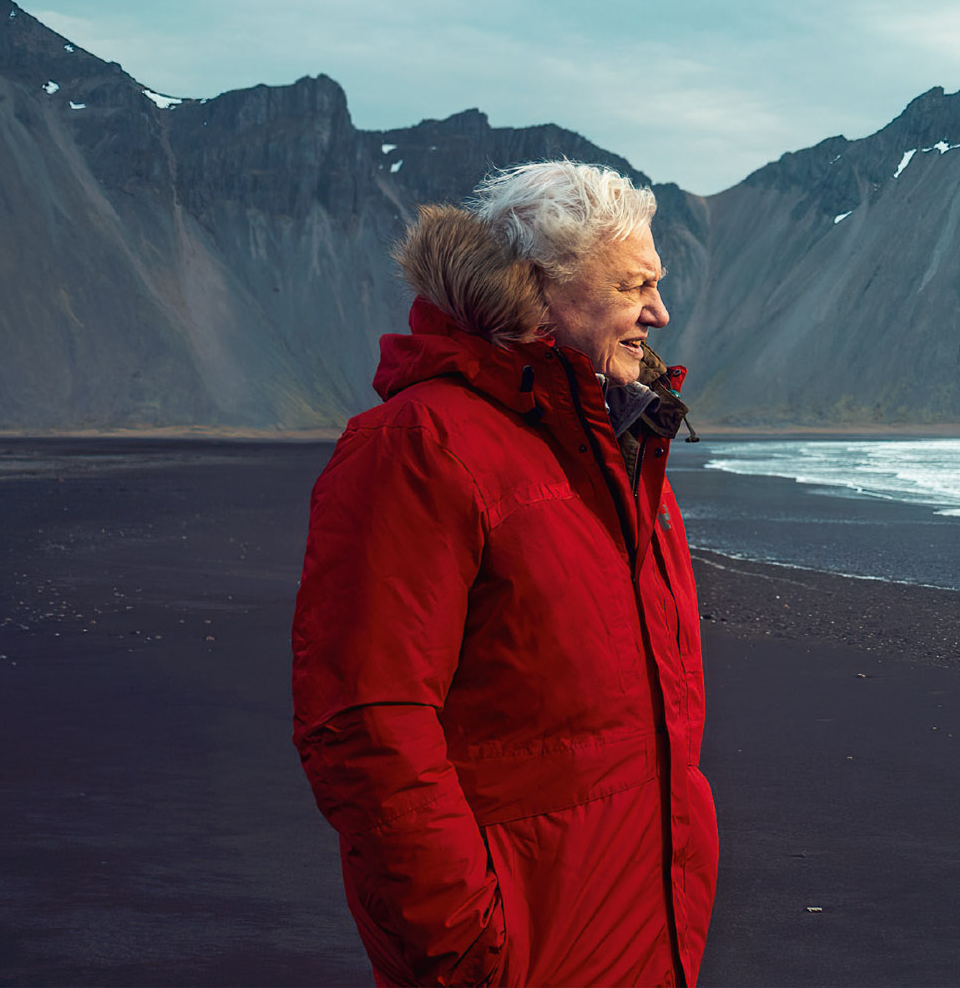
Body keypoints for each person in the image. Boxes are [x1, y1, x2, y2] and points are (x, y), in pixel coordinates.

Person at [291, 161, 715, 987]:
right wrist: (472, 949)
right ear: (539, 286)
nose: (659, 313)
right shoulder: (419, 445)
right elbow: (365, 725)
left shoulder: (625, 453)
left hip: (638, 938)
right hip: (516, 952)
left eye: (656, 284)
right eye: (633, 284)